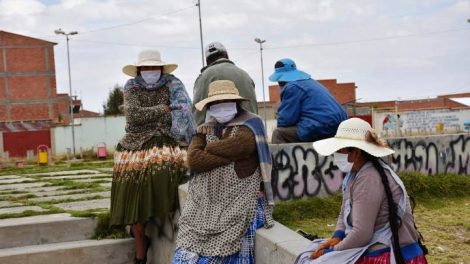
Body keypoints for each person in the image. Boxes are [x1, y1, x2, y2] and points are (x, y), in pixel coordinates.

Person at [295, 118, 428, 263]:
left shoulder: (369, 179)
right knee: (307, 252)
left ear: (355, 153)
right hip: (373, 247)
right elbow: (344, 211)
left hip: (391, 254)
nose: (336, 155)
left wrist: (331, 252)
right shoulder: (354, 175)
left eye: (340, 150)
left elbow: (362, 234)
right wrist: (337, 237)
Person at [173, 80, 274, 263]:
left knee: (224, 248)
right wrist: (227, 155)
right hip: (205, 200)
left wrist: (208, 149)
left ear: (236, 103)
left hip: (239, 197)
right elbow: (194, 160)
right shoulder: (204, 127)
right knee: (190, 239)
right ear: (210, 107)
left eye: (226, 103)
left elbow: (241, 146)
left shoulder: (251, 123)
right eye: (216, 104)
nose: (221, 108)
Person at [110, 50, 195, 264]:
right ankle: (139, 242)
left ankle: (143, 237)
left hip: (166, 138)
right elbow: (133, 116)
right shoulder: (131, 86)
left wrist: (154, 114)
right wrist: (165, 108)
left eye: (154, 67)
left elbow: (184, 110)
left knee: (161, 171)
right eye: (146, 68)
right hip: (134, 142)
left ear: (161, 69)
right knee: (128, 184)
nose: (150, 71)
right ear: (139, 70)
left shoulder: (173, 84)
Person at [269, 58, 348, 143]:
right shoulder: (311, 82)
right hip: (341, 124)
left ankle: (283, 157)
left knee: (278, 133)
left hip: (321, 125)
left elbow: (286, 120)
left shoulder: (291, 87)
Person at [192, 41, 258, 126]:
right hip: (251, 128)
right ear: (227, 56)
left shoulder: (204, 77)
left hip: (222, 133)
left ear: (207, 61)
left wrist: (198, 134)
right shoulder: (245, 75)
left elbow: (198, 113)